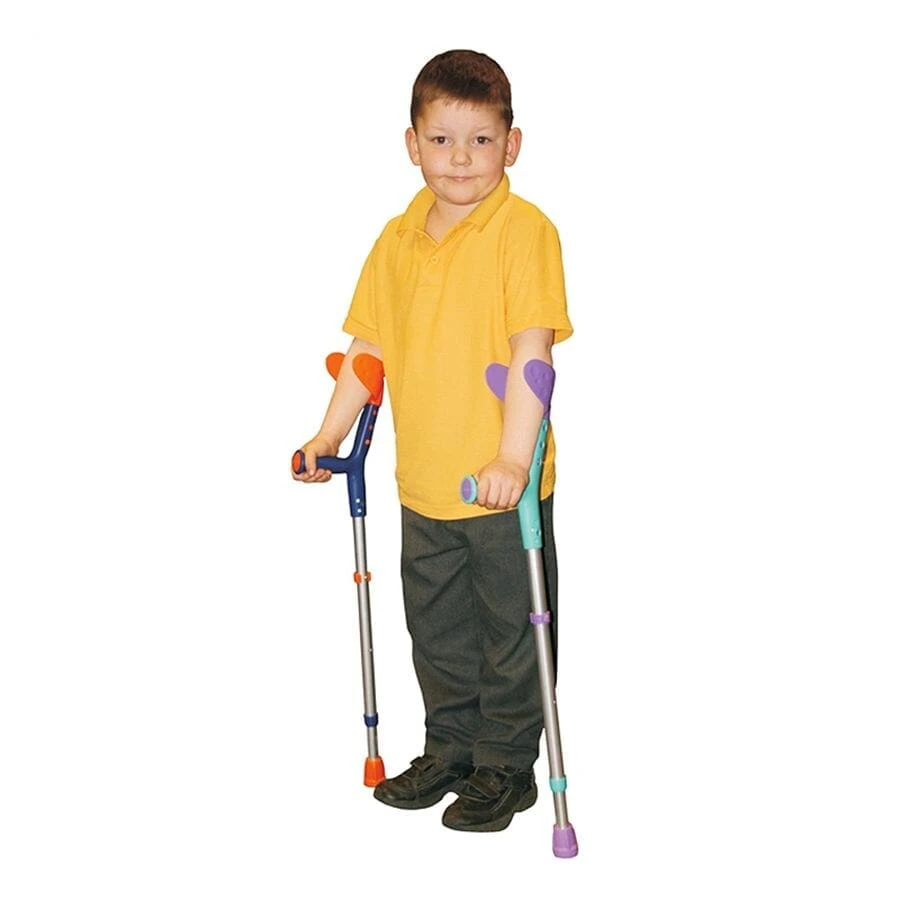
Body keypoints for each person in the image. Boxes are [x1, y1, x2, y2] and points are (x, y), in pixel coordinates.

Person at [295, 49, 573, 833]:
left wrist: (512, 458)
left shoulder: (523, 232)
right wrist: (327, 433)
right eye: (442, 140)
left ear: (511, 145)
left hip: (501, 490)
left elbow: (532, 352)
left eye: (481, 140)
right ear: (412, 144)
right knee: (438, 630)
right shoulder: (395, 240)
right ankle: (450, 747)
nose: (460, 158)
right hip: (422, 483)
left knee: (512, 633)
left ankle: (504, 763)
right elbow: (368, 351)